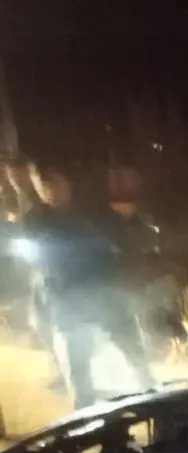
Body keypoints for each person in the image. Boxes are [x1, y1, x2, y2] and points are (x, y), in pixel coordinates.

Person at [6, 160, 153, 408]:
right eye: (43, 184)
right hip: (70, 302)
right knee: (79, 371)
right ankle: (84, 415)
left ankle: (157, 406)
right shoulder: (36, 219)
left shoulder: (94, 213)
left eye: (54, 183)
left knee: (136, 359)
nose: (49, 190)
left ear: (68, 184)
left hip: (106, 295)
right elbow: (37, 256)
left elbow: (123, 247)